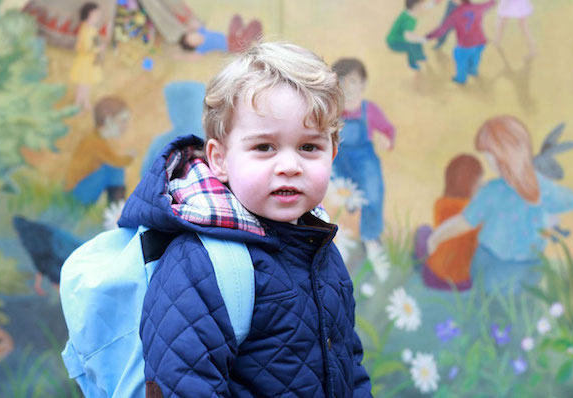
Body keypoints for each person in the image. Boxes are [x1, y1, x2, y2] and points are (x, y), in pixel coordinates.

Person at [116, 42, 371, 397]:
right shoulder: (202, 263)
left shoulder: (318, 247)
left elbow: (349, 367)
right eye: (264, 147)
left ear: (333, 152)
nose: (289, 166)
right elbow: (186, 385)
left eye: (309, 147)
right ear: (219, 159)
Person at [427, 116, 573, 293]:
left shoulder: (492, 190)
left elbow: (465, 222)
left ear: (503, 155)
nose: (489, 164)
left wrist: (437, 236)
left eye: (489, 158)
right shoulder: (542, 187)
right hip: (530, 269)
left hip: (491, 265)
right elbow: (572, 200)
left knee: (488, 305)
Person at [331, 58, 396, 280]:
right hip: (338, 160)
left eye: (354, 81)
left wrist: (387, 139)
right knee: (336, 196)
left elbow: (388, 129)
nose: (348, 87)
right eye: (342, 81)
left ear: (363, 84)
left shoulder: (370, 110)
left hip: (365, 160)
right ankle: (338, 243)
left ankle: (371, 238)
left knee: (373, 195)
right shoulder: (333, 111)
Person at [416, 154, 482, 291]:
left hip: (432, 277)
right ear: (471, 185)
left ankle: (418, 264)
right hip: (463, 284)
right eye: (479, 182)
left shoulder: (440, 204)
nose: (482, 186)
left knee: (423, 231)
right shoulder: (476, 214)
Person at [65, 96, 136, 205]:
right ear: (108, 120)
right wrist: (130, 157)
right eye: (122, 121)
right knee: (115, 169)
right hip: (76, 194)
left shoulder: (96, 138)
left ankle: (116, 210)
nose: (125, 126)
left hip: (79, 190)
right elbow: (116, 161)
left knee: (113, 169)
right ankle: (116, 211)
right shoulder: (94, 141)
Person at [140, 81, 206, 176]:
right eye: (172, 107)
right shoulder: (161, 143)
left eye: (186, 107)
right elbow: (147, 178)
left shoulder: (211, 139)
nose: (175, 112)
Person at [426, 0, 496, 85]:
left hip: (465, 45)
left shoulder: (455, 14)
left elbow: (442, 29)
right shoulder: (478, 7)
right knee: (476, 57)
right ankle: (473, 71)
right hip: (480, 42)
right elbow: (491, 3)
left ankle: (461, 79)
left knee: (461, 61)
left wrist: (428, 36)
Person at [70, 2, 105, 111]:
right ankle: (77, 103)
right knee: (82, 84)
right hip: (85, 61)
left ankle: (85, 101)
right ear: (90, 14)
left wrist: (98, 47)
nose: (98, 17)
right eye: (96, 15)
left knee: (88, 83)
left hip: (91, 61)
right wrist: (98, 49)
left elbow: (94, 41)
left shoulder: (92, 27)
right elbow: (85, 48)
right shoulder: (85, 29)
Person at [386, 0, 436, 70]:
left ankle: (420, 56)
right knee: (411, 46)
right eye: (422, 4)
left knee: (417, 43)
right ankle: (412, 63)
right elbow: (408, 36)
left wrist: (434, 2)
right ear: (416, 6)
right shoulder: (410, 20)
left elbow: (424, 7)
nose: (424, 5)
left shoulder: (409, 11)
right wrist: (421, 39)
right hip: (394, 42)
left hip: (399, 38)